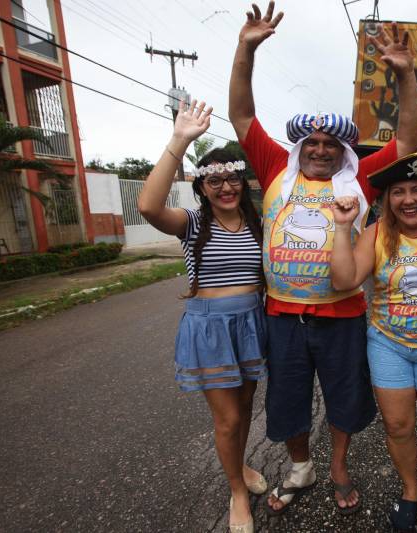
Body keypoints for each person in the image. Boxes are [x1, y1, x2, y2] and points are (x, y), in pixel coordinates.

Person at [227, 1, 417, 516]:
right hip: (284, 315)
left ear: (343, 151)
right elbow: (242, 115)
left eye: (329, 143)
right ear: (298, 147)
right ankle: (300, 466)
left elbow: (407, 139)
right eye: (310, 142)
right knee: (287, 401)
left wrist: (404, 77)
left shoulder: (358, 180)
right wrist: (245, 48)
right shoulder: (275, 169)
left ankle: (336, 465)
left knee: (344, 398)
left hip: (343, 314)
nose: (318, 149)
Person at [137, 99, 267, 533]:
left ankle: (242, 465)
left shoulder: (258, 225)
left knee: (246, 406)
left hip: (252, 323)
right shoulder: (192, 222)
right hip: (210, 328)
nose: (225, 187)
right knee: (227, 417)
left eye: (232, 179)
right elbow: (149, 207)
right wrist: (180, 139)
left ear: (243, 183)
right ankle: (236, 492)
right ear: (203, 189)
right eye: (215, 181)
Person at [330, 152, 417, 532]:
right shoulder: (376, 232)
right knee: (398, 426)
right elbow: (344, 280)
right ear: (388, 199)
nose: (408, 199)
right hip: (389, 345)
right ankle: (410, 490)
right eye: (398, 192)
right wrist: (342, 226)